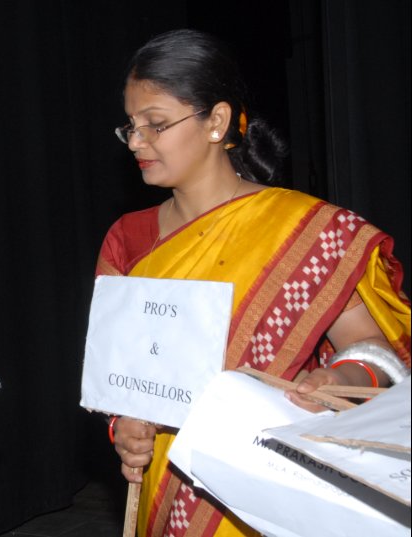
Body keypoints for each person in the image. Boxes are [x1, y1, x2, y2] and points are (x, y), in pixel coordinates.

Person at [97, 29, 410, 536]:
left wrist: (340, 380)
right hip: (166, 485)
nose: (137, 142)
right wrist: (122, 428)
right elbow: (123, 379)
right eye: (130, 127)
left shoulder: (307, 231)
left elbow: (372, 350)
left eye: (155, 124)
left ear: (217, 121)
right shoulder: (127, 239)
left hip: (273, 483)